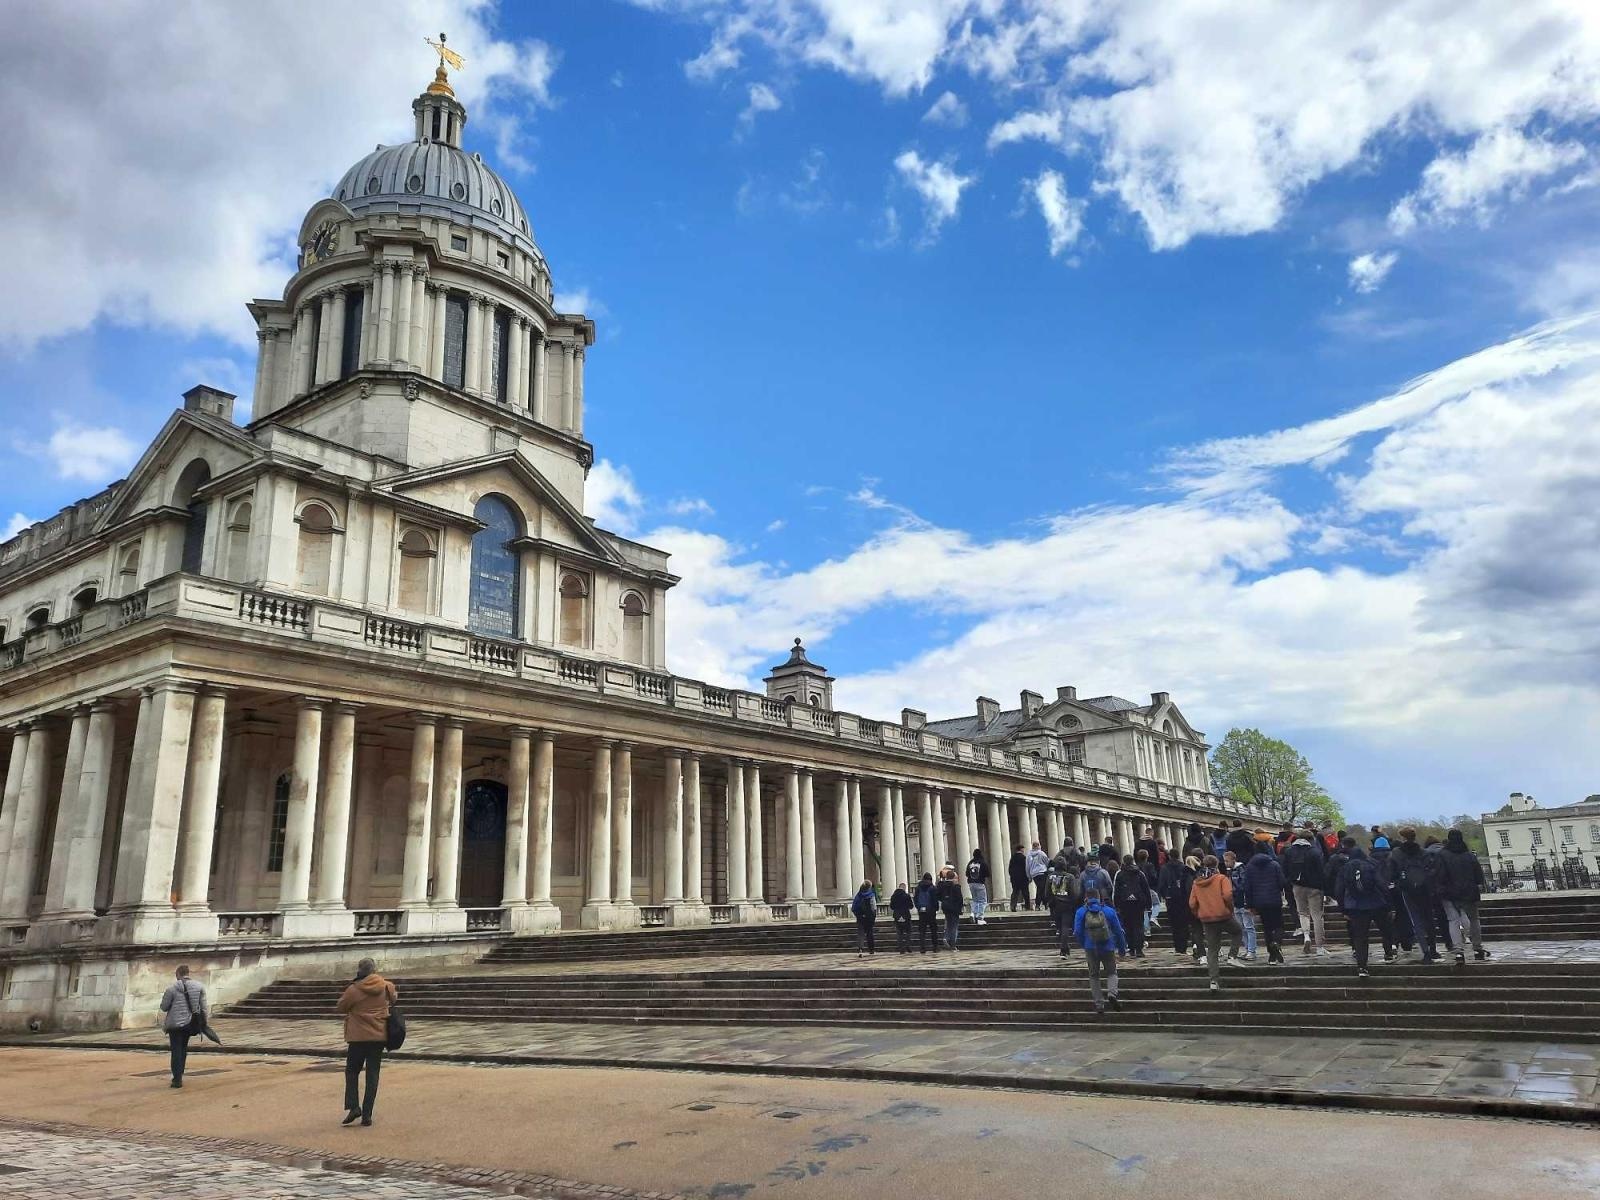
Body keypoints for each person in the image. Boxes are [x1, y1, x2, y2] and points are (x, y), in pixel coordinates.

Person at [336, 957, 397, 1127]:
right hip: (378, 1037)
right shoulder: (387, 986)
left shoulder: (354, 989)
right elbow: (394, 999)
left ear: (360, 970)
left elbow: (340, 1007)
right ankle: (367, 1115)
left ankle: (354, 1106)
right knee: (373, 1074)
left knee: (352, 1071)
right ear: (374, 969)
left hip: (357, 1037)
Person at [1336, 840, 1395, 977]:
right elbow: (1381, 884)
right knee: (1385, 929)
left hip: (1355, 906)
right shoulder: (1371, 865)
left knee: (1360, 937)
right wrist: (1389, 904)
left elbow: (1339, 890)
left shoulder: (1345, 868)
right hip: (1376, 903)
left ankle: (1362, 966)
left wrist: (1343, 909)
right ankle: (1388, 952)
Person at [1189, 855, 1245, 990]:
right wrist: (1229, 909)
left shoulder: (1197, 882)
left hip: (1207, 918)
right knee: (1237, 931)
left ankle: (1214, 980)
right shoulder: (1221, 879)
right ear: (1217, 865)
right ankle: (1232, 956)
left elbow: (1192, 903)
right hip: (1223, 915)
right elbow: (1227, 895)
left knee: (1212, 950)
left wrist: (1199, 913)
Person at [1437, 829, 1490, 965]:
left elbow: (1439, 874)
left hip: (1449, 892)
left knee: (1453, 920)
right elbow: (1479, 876)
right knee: (1474, 919)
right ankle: (1477, 947)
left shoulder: (1442, 855)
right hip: (1469, 892)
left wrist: (1440, 888)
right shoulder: (1469, 855)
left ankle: (1458, 950)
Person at [1073, 888, 1129, 1014]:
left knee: (1094, 975)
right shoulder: (1108, 911)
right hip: (1108, 946)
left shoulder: (1081, 912)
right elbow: (1118, 931)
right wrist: (1122, 948)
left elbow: (1077, 931)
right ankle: (1112, 993)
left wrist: (1084, 944)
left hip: (1090, 947)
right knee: (1112, 972)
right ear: (1099, 897)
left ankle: (1099, 1004)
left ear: (1086, 898)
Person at [1392, 828, 1441, 963]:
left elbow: (1392, 871)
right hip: (1424, 888)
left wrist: (1397, 882)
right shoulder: (1423, 852)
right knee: (1429, 918)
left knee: (1416, 920)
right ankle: (1433, 948)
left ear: (1403, 838)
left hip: (1407, 889)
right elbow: (1432, 869)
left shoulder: (1397, 853)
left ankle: (1425, 951)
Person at [1282, 828, 1329, 956]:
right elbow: (1321, 870)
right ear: (1311, 839)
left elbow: (1284, 869)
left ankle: (1306, 936)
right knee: (1317, 916)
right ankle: (1319, 947)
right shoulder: (1314, 852)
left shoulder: (1289, 851)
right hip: (1314, 887)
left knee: (1302, 913)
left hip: (1297, 886)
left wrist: (1290, 881)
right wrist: (1324, 887)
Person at [158, 965, 206, 1089]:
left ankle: (177, 1078)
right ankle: (180, 1072)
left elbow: (163, 1007)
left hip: (175, 1024)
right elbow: (203, 1007)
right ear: (188, 973)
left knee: (176, 1050)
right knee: (183, 1048)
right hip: (189, 1023)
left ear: (178, 974)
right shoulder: (199, 987)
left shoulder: (171, 989)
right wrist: (203, 1023)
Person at [1241, 839, 1288, 963]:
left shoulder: (1249, 867)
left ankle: (1271, 956)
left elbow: (1247, 887)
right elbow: (1282, 882)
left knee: (1267, 928)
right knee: (1279, 925)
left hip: (1259, 902)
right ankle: (1276, 942)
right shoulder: (1274, 864)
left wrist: (1250, 904)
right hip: (1274, 899)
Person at [1371, 835, 1414, 953]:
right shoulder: (1393, 856)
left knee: (1385, 920)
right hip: (1396, 890)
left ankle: (1391, 944)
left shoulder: (1370, 859)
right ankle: (1406, 941)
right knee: (1402, 916)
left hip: (1380, 892)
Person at [1157, 852, 1197, 955]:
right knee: (1184, 923)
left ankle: (1178, 947)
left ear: (1169, 856)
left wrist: (1165, 895)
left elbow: (1161, 884)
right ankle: (1183, 946)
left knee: (1175, 925)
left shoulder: (1165, 868)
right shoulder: (1183, 868)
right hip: (1183, 899)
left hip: (1171, 899)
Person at [1114, 854, 1152, 958]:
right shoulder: (1139, 873)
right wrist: (1149, 904)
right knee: (1138, 926)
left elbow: (1117, 891)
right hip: (1138, 903)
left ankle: (1131, 948)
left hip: (1125, 903)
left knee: (1128, 926)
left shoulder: (1120, 874)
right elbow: (1146, 889)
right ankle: (1139, 949)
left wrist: (1117, 905)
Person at [1223, 850, 1257, 960]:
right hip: (1236, 902)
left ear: (1234, 860)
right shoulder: (1230, 871)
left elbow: (1243, 886)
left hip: (1243, 901)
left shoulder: (1241, 870)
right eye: (1225, 861)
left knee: (1248, 927)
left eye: (1227, 861)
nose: (1226, 863)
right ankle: (1247, 949)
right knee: (1241, 928)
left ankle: (1251, 950)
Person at [1045, 857, 1082, 955]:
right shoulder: (1070, 877)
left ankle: (1065, 947)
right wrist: (1072, 902)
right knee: (1065, 926)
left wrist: (1050, 902)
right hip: (1067, 905)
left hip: (1055, 905)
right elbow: (1074, 893)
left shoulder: (1050, 877)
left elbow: (1047, 892)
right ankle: (1064, 949)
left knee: (1059, 927)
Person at [935, 865, 965, 949]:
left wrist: (944, 900)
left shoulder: (942, 885)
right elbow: (960, 898)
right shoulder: (956, 886)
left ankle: (946, 937)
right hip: (954, 908)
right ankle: (953, 944)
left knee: (949, 924)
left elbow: (938, 895)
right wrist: (960, 907)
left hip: (946, 907)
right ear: (954, 877)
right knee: (954, 926)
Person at [914, 872, 940, 952]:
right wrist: (936, 908)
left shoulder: (918, 888)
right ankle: (935, 947)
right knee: (933, 929)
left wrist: (918, 907)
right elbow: (935, 900)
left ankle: (922, 948)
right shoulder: (932, 888)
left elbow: (915, 899)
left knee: (922, 930)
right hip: (931, 911)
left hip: (922, 911)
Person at [851, 881, 878, 957]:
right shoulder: (871, 895)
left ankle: (860, 949)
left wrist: (858, 915)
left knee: (861, 933)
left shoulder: (858, 895)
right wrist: (873, 916)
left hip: (860, 917)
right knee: (869, 932)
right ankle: (871, 949)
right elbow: (873, 907)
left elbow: (853, 907)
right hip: (869, 917)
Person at [964, 849, 991, 924]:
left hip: (971, 883)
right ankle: (980, 917)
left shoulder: (970, 863)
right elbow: (987, 873)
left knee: (975, 900)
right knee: (982, 901)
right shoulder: (982, 862)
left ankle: (973, 914)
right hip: (979, 883)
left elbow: (966, 873)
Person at [889, 882, 914, 953]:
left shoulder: (893, 896)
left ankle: (901, 948)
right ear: (904, 888)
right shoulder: (906, 896)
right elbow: (911, 906)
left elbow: (892, 906)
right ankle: (907, 945)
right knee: (908, 931)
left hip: (897, 915)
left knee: (899, 933)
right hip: (906, 915)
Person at [1026, 841, 1051, 908]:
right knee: (1041, 888)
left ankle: (1045, 903)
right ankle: (1038, 904)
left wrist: (1029, 876)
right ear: (1038, 846)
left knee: (1040, 888)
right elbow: (1047, 861)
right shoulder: (1041, 853)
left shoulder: (1029, 855)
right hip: (1042, 872)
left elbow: (1027, 866)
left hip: (1034, 874)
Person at [1008, 844, 1030, 911]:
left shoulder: (1012, 858)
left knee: (1015, 892)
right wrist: (1028, 876)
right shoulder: (1024, 858)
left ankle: (1013, 906)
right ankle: (1027, 907)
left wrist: (1012, 876)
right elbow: (1027, 868)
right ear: (1021, 849)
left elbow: (1010, 869)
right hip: (1023, 878)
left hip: (1014, 878)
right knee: (1025, 893)